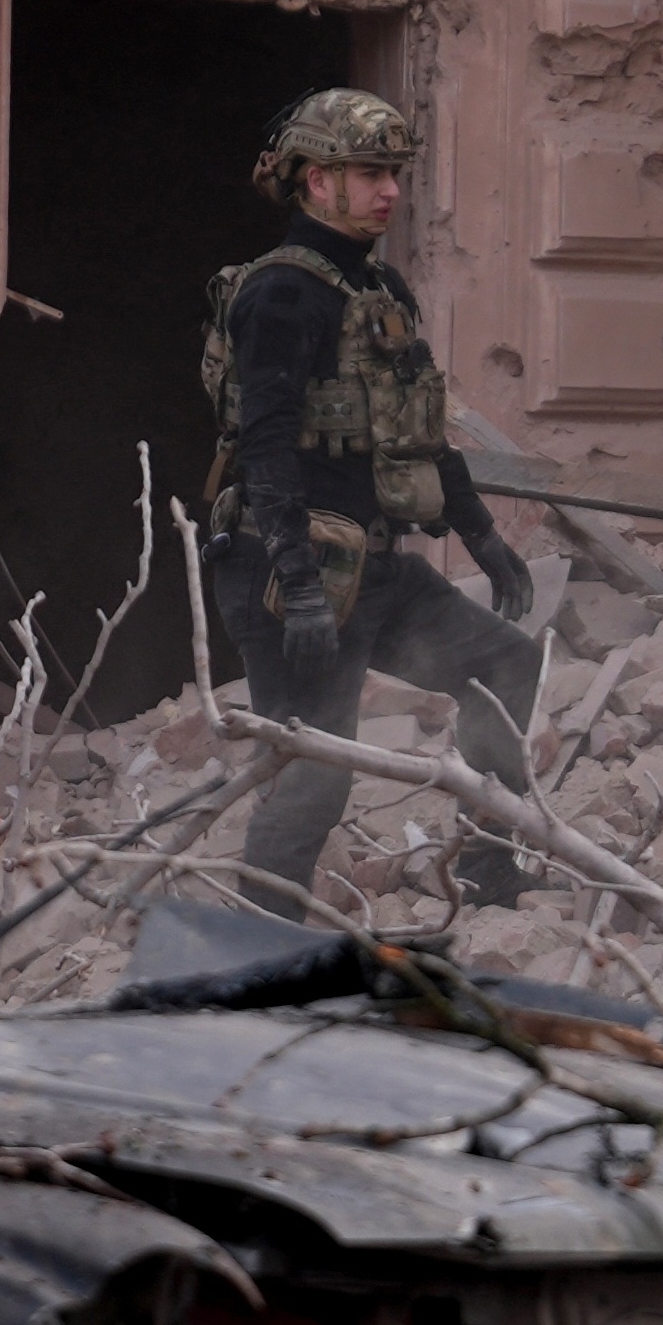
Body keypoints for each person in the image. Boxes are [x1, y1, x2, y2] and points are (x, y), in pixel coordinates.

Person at [204, 88, 541, 920]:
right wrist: (302, 583)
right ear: (316, 181)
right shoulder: (280, 295)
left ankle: (488, 871)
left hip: (376, 569)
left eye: (394, 172)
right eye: (369, 172)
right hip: (289, 573)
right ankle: (256, 951)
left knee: (504, 664)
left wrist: (481, 535)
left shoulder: (379, 285)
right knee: (316, 773)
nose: (390, 189)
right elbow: (268, 444)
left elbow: (420, 422)